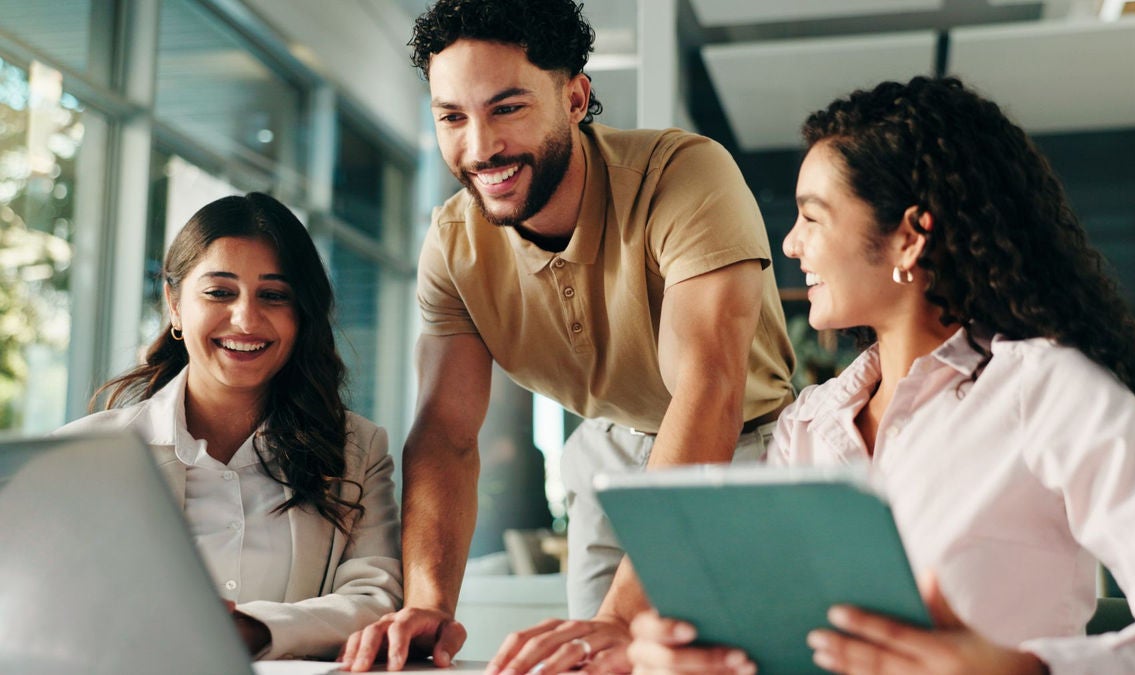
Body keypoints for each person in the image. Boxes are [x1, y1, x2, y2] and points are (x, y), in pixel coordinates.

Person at [627, 77, 1135, 674]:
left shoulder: (1046, 391)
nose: (791, 243)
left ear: (910, 237)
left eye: (812, 216)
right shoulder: (809, 425)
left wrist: (1021, 669)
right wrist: (694, 653)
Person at [339, 0, 795, 672]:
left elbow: (708, 390)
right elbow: (445, 432)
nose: (480, 146)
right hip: (608, 456)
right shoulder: (454, 244)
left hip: (745, 449)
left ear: (576, 97)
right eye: (452, 117)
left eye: (507, 108)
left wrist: (617, 618)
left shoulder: (684, 177)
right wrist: (430, 602)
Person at [56, 193, 402, 661]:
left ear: (301, 315)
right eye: (219, 292)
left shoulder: (356, 449)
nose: (246, 319)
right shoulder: (85, 453)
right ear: (174, 304)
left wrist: (256, 630)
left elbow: (377, 600)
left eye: (274, 296)